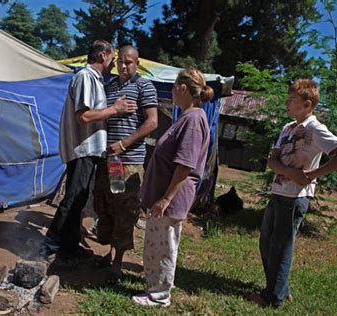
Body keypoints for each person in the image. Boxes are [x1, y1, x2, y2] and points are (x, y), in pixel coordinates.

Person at [246, 79, 337, 308]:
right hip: (279, 193)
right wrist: (288, 171)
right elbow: (272, 161)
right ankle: (280, 288)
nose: (287, 103)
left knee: (281, 247)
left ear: (307, 104)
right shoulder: (288, 128)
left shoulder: (315, 129)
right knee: (266, 243)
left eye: (292, 100)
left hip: (295, 198)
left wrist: (314, 173)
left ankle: (272, 298)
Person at [40, 40, 138, 266]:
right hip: (83, 148)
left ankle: (70, 246)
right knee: (73, 198)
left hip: (89, 149)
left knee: (79, 199)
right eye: (113, 57)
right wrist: (115, 109)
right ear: (103, 56)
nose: (115, 63)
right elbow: (83, 116)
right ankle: (48, 247)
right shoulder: (85, 76)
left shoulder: (95, 79)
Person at [132, 68, 214, 307]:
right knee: (156, 243)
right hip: (163, 194)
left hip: (171, 197)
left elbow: (185, 164)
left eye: (174, 86)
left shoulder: (193, 119)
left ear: (183, 88)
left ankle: (160, 295)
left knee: (164, 245)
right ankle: (155, 286)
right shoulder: (187, 117)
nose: (172, 91)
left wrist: (166, 198)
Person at [92, 45, 158, 283]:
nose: (123, 66)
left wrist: (123, 144)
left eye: (129, 62)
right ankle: (110, 255)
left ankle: (117, 263)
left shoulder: (144, 86)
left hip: (127, 161)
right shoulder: (110, 86)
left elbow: (152, 123)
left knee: (124, 210)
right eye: (120, 61)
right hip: (109, 161)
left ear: (137, 63)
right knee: (106, 205)